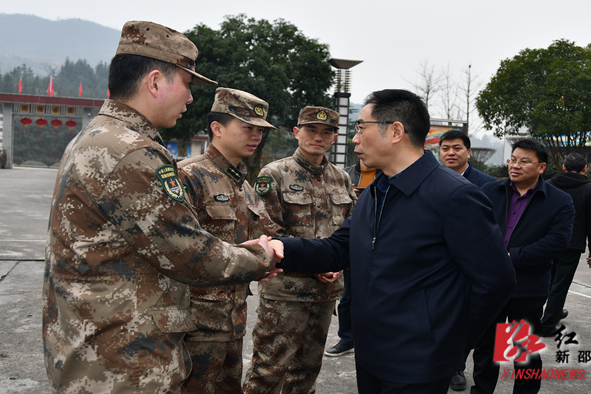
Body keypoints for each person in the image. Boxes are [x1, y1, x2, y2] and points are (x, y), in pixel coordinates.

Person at [42, 21, 280, 394]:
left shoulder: (95, 137)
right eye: (187, 84)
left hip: (96, 350)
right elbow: (189, 254)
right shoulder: (133, 152)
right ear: (154, 82)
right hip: (126, 362)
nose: (190, 98)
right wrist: (261, 257)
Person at [272, 89, 516, 393]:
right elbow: (340, 248)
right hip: (371, 352)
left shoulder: (454, 196)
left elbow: (496, 280)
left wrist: (452, 343)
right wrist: (281, 248)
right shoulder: (377, 190)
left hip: (420, 362)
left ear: (396, 131)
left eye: (361, 128)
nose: (354, 139)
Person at [243, 106, 357, 393]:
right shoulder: (274, 174)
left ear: (334, 137)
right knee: (268, 370)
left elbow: (350, 231)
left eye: (326, 132)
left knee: (307, 372)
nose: (318, 137)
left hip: (325, 293)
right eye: (311, 130)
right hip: (286, 292)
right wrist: (317, 263)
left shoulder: (341, 179)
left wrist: (337, 264)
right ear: (297, 132)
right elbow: (265, 231)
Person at [177, 88, 281, 393]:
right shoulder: (188, 177)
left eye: (259, 130)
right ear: (217, 128)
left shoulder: (246, 188)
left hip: (233, 323)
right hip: (194, 326)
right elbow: (179, 250)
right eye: (246, 127)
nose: (255, 136)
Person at [472, 139, 575, 394]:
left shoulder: (559, 201)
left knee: (524, 351)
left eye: (524, 161)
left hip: (527, 287)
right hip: (490, 286)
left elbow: (556, 243)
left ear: (541, 167)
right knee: (486, 347)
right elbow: (473, 231)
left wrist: (510, 256)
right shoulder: (489, 191)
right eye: (513, 159)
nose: (515, 166)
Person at [438, 129, 497, 390]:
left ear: (468, 152)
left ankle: (468, 370)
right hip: (441, 264)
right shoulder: (431, 180)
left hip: (475, 263)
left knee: (476, 321)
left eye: (457, 148)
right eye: (445, 148)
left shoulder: (487, 184)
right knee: (446, 318)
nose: (451, 153)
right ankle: (451, 366)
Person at [539, 153, 591, 336]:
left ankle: (554, 312)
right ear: (585, 169)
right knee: (560, 284)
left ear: (563, 167)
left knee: (546, 281)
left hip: (547, 241)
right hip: (572, 243)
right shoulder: (589, 189)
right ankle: (547, 324)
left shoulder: (548, 184)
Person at [324, 159, 380, 357]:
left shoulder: (386, 175)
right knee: (347, 296)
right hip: (350, 240)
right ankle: (347, 338)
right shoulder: (344, 175)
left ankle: (373, 340)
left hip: (378, 244)